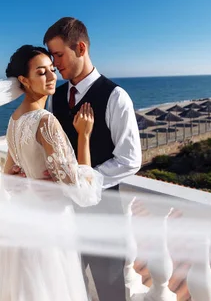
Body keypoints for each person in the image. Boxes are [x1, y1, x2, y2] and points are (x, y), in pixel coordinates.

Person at [0, 45, 104, 301]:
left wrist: (31, 181)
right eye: (42, 72)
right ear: (24, 80)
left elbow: (9, 179)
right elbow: (81, 191)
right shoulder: (45, 121)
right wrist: (84, 137)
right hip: (49, 224)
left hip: (21, 220)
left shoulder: (14, 119)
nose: (53, 76)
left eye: (52, 70)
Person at [44, 17, 142, 300]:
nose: (54, 63)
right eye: (51, 56)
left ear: (81, 47)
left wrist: (85, 181)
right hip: (63, 219)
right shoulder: (55, 97)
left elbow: (130, 159)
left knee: (111, 293)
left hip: (104, 223)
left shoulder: (116, 97)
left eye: (59, 54)